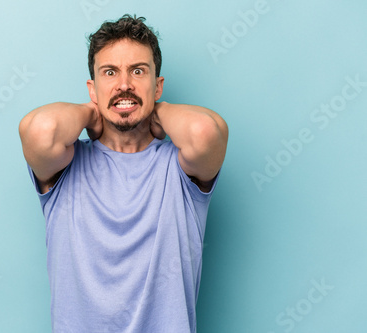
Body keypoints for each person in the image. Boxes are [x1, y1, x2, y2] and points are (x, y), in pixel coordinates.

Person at [19, 14, 228, 333]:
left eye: (138, 71)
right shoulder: (65, 168)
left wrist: (158, 110)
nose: (124, 84)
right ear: (93, 88)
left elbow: (205, 132)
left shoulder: (180, 169)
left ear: (158, 85)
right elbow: (40, 131)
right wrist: (92, 112)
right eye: (110, 72)